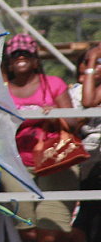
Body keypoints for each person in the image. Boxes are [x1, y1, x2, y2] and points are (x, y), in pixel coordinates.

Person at [1, 33, 83, 242]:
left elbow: (73, 124)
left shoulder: (54, 83)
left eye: (26, 54)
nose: (21, 57)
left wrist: (55, 114)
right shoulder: (1, 91)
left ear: (36, 60)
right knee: (27, 230)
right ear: (8, 62)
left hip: (56, 161)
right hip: (15, 164)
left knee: (50, 231)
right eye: (15, 55)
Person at [70, 45, 101, 241]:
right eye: (90, 62)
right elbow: (87, 101)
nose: (96, 66)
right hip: (86, 162)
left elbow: (90, 101)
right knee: (86, 218)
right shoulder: (75, 92)